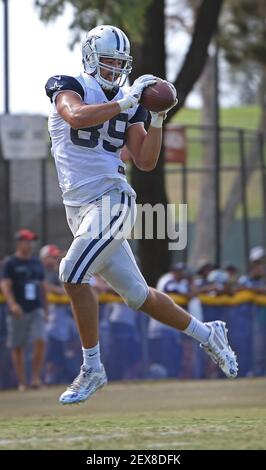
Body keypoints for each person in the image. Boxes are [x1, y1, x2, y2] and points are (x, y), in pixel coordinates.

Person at [45, 25, 238, 405]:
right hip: (79, 207)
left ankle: (93, 367)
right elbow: (76, 116)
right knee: (138, 296)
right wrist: (125, 102)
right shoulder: (67, 85)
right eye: (108, 62)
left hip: (112, 201)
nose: (114, 70)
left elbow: (146, 161)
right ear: (89, 58)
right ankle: (209, 333)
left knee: (71, 273)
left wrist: (159, 116)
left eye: (120, 64)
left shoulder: (130, 102)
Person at [0, 229, 47, 390]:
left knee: (40, 340)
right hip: (18, 309)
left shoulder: (36, 262)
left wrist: (45, 308)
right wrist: (12, 304)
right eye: (26, 240)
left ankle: (35, 378)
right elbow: (5, 285)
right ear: (19, 242)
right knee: (17, 346)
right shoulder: (10, 262)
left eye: (31, 241)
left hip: (36, 308)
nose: (29, 244)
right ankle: (22, 382)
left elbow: (41, 286)